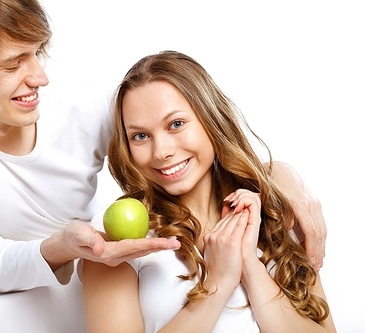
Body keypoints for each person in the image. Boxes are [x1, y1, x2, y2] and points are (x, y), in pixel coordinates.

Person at [0, 0, 324, 321]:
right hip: (45, 283)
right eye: (14, 63)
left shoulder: (85, 104)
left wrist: (281, 180)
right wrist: (61, 247)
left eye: (37, 52)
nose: (40, 77)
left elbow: (199, 137)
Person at [82, 51, 336, 332]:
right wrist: (217, 283)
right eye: (140, 136)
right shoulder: (117, 240)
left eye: (176, 124)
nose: (162, 151)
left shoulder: (274, 209)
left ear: (210, 119)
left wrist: (249, 265)